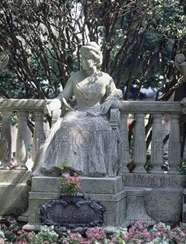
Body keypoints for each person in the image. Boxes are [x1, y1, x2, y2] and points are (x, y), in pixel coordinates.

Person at [33, 42, 122, 178]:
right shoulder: (75, 77)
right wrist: (52, 105)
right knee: (68, 125)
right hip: (77, 113)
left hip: (96, 115)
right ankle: (65, 167)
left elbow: (116, 97)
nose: (83, 61)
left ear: (96, 60)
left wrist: (110, 101)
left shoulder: (105, 78)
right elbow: (63, 97)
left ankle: (84, 169)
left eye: (87, 58)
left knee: (92, 127)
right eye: (82, 58)